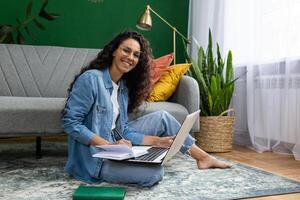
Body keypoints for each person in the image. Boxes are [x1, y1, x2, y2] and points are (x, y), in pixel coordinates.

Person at [62, 31, 231, 187]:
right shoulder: (91, 79)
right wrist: (110, 145)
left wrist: (158, 141)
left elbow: (123, 131)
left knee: (163, 117)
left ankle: (203, 157)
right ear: (114, 51)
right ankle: (124, 164)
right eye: (126, 50)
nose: (130, 57)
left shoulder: (122, 88)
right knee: (154, 173)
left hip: (115, 143)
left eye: (136, 55)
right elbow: (71, 124)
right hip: (95, 157)